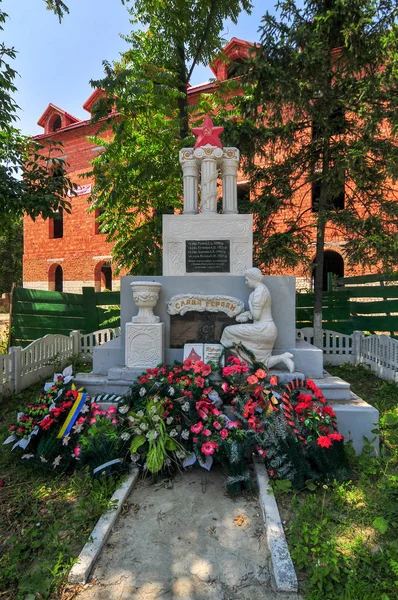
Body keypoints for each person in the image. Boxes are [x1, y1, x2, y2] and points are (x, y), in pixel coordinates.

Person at [220, 267, 295, 371]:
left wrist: (250, 304)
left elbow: (256, 316)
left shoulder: (259, 292)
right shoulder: (261, 290)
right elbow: (257, 314)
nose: (246, 283)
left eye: (247, 280)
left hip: (263, 329)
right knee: (261, 364)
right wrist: (246, 315)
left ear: (253, 279)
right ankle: (283, 357)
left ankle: (240, 363)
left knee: (227, 332)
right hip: (266, 329)